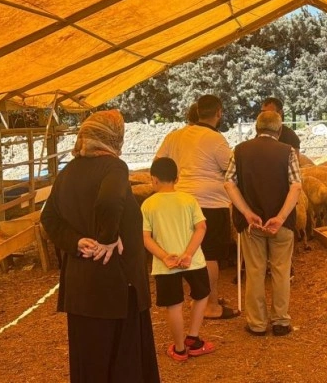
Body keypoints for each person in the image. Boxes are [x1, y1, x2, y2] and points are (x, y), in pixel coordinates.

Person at [41, 110, 160, 382]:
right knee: (122, 362)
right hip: (115, 286)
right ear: (114, 137)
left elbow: (48, 216)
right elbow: (108, 202)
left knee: (90, 362)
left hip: (81, 288)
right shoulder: (114, 166)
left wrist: (75, 242)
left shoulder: (68, 171)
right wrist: (107, 238)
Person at [155, 94, 240, 319]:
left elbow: (158, 165)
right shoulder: (215, 139)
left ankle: (198, 299)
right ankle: (211, 305)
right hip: (210, 204)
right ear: (218, 113)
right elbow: (232, 170)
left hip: (180, 202)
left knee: (188, 252)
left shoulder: (174, 137)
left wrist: (175, 185)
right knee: (210, 255)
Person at [224, 110, 302, 336]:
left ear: (257, 129)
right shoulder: (287, 151)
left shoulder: (239, 151)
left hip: (252, 226)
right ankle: (280, 321)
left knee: (255, 272)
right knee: (281, 270)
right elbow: (296, 185)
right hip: (282, 225)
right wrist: (281, 217)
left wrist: (247, 213)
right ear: (279, 130)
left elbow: (228, 183)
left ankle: (257, 323)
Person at [141, 157, 215, 361]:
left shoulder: (148, 205)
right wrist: (188, 253)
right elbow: (202, 227)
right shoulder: (188, 200)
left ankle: (180, 349)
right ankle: (193, 337)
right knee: (201, 295)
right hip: (193, 260)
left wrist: (165, 256)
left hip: (166, 265)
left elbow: (145, 237)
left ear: (154, 179)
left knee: (173, 304)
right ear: (177, 178)